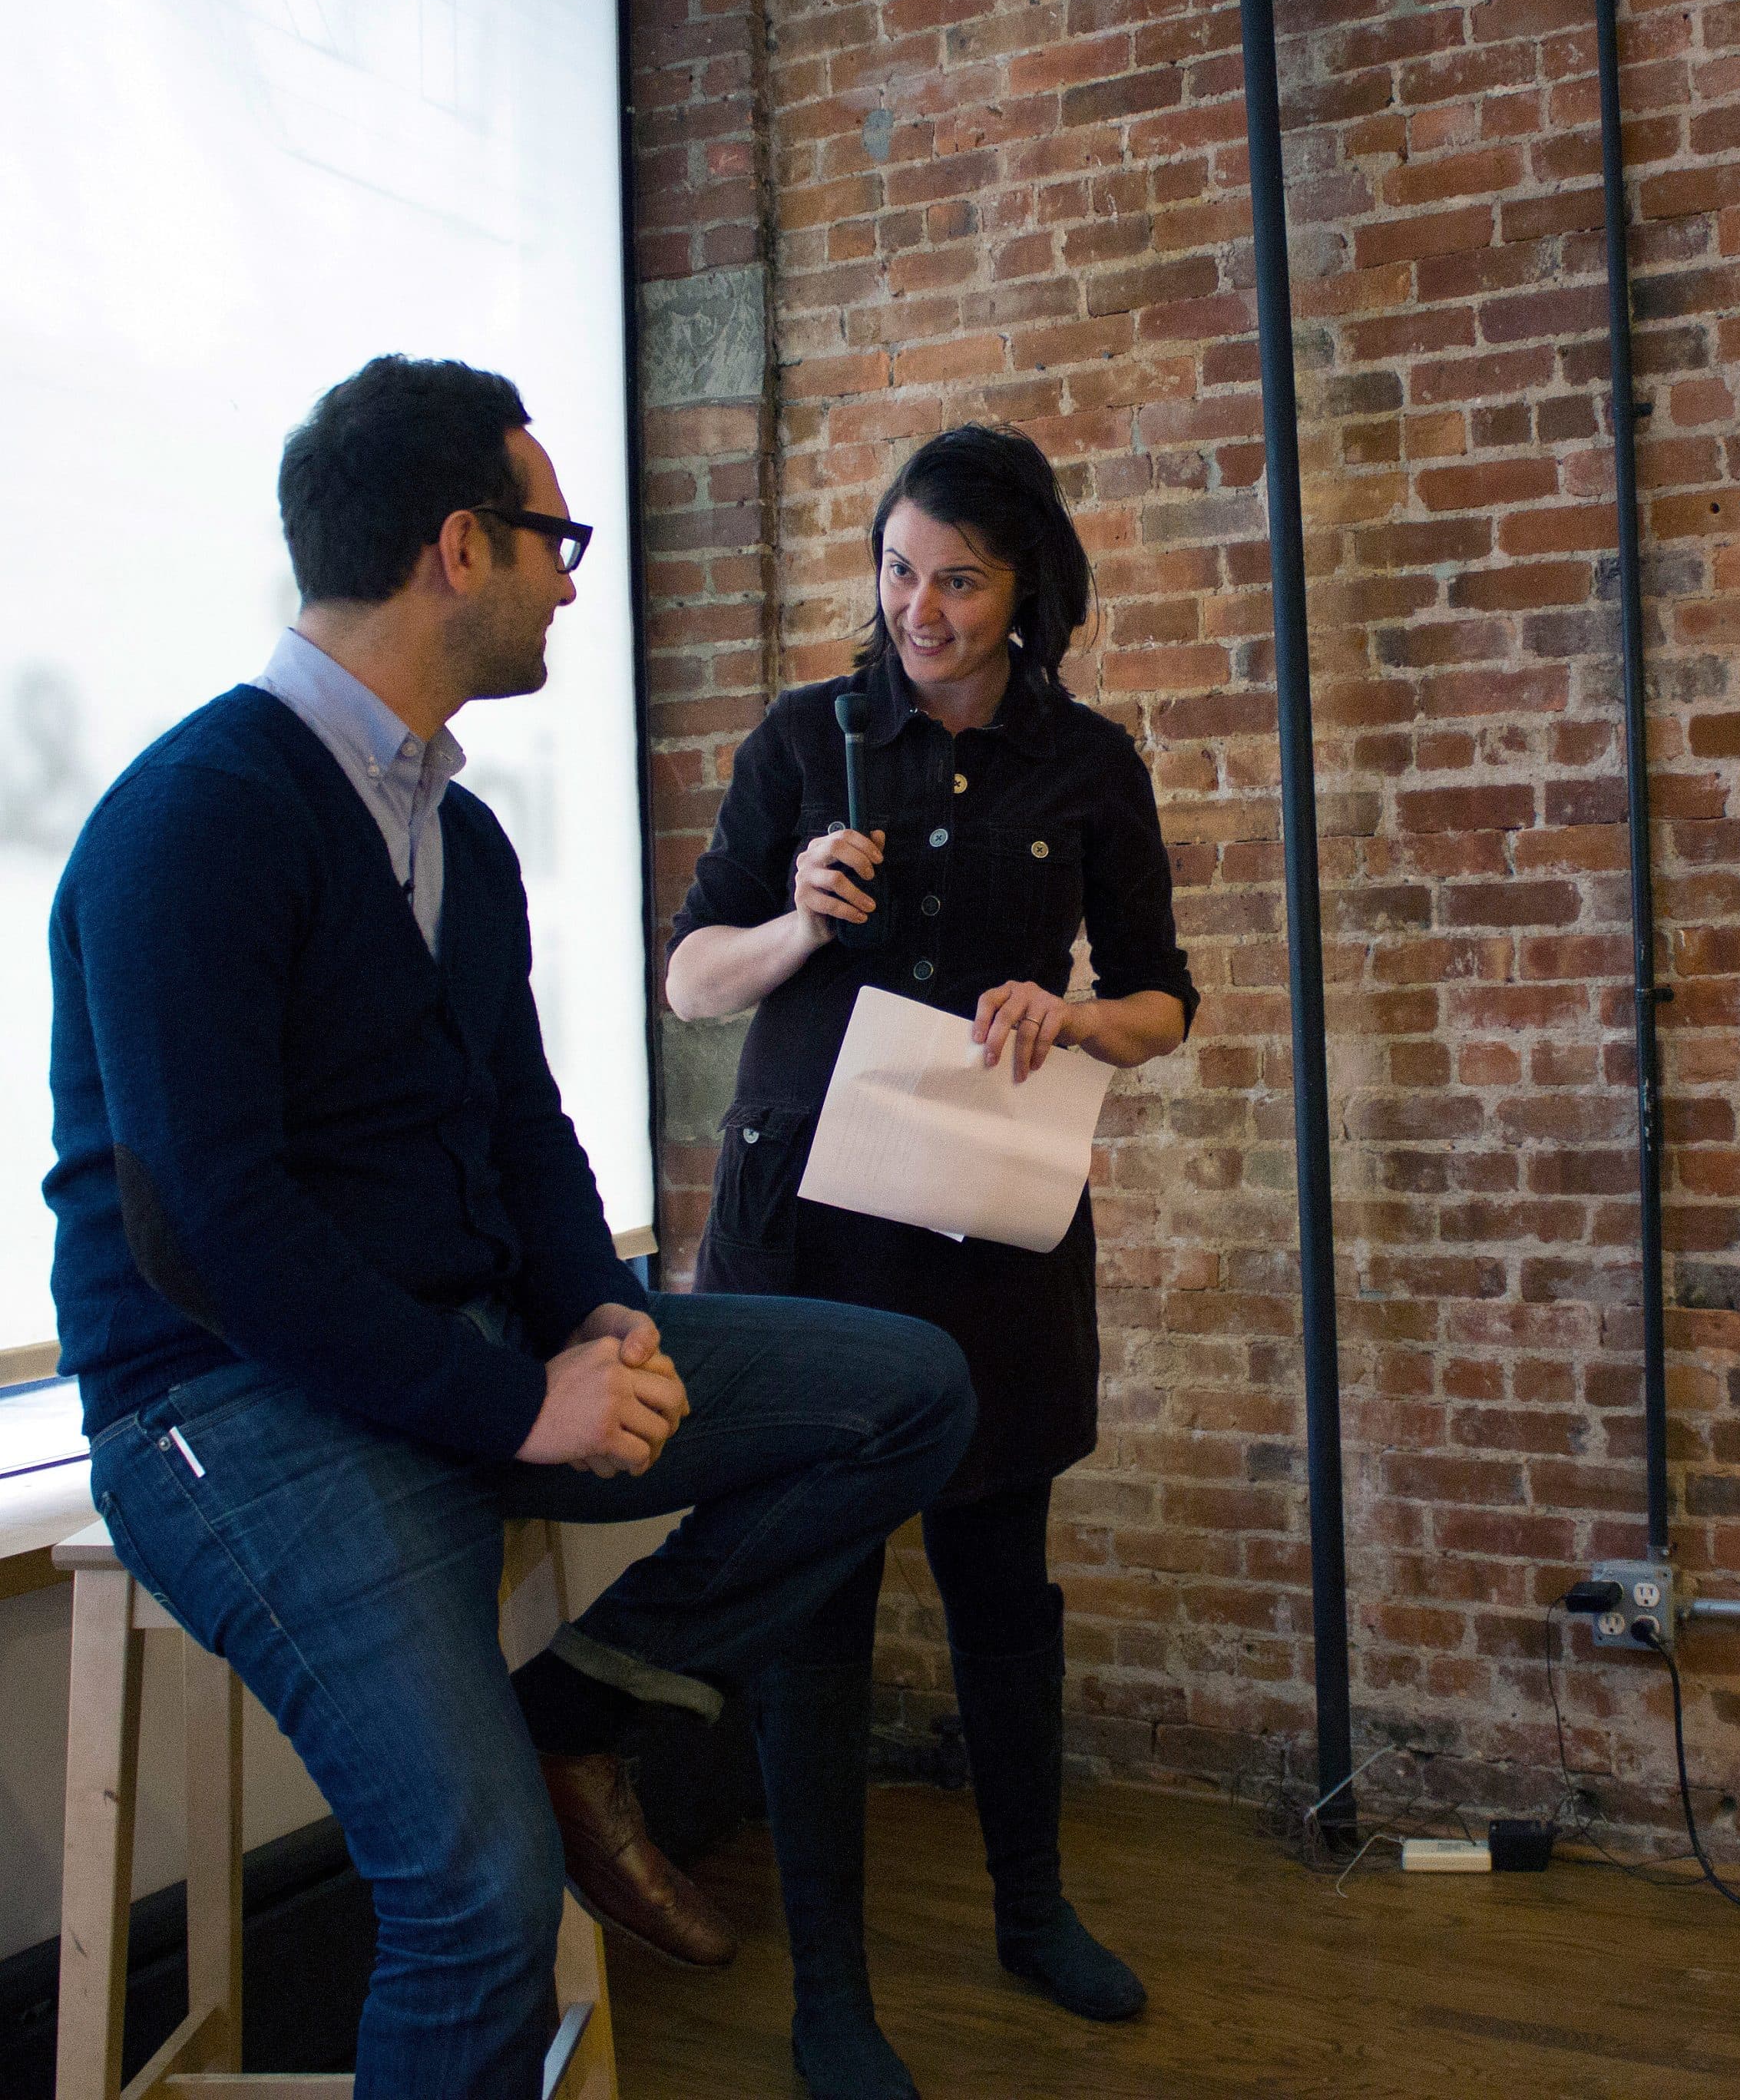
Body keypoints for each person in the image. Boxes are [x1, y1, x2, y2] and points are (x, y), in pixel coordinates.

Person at [45, 356, 977, 2100]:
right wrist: (515, 1409)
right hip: (230, 1408)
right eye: (554, 536)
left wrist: (592, 1314)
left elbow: (522, 1126)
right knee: (476, 1895)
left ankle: (584, 1712)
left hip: (470, 1356)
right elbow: (213, 1238)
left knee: (909, 1391)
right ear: (457, 548)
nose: (572, 572)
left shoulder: (457, 835)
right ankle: (543, 1767)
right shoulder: (195, 818)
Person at [666, 423, 1197, 2100]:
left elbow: (1166, 997)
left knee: (999, 1585)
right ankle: (835, 1996)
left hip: (986, 1219)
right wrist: (799, 925)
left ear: (1026, 587)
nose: (921, 609)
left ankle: (1031, 1915)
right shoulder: (799, 743)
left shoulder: (1091, 761)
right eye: (901, 571)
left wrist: (1078, 1014)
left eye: (959, 580)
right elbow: (691, 979)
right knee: (817, 1605)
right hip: (805, 1238)